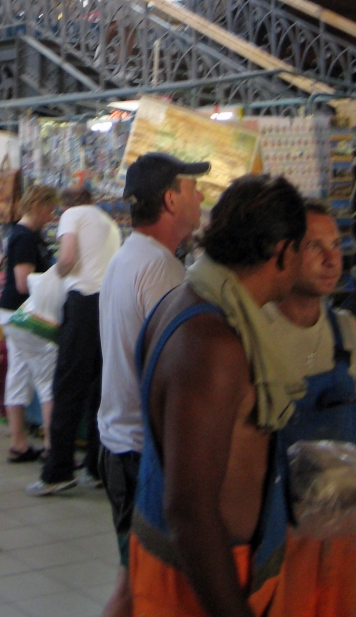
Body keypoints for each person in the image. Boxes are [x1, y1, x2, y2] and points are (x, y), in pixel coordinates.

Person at [130, 174, 307, 617]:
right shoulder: (212, 344)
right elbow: (189, 512)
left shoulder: (185, 303)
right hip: (198, 587)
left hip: (201, 572)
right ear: (284, 251)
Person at [265, 203, 356, 616]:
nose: (331, 258)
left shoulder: (347, 331)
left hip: (342, 534)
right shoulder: (253, 332)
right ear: (284, 254)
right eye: (314, 247)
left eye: (336, 245)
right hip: (274, 536)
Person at [98, 153, 209, 617]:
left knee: (134, 585)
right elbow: (178, 369)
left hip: (122, 445)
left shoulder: (130, 257)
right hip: (140, 453)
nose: (201, 194)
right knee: (140, 590)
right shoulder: (161, 270)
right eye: (191, 187)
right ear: (169, 200)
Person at [28, 185, 121, 496]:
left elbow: (67, 259)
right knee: (98, 389)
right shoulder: (109, 223)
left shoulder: (72, 215)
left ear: (65, 204)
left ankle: (58, 470)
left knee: (67, 387)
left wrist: (51, 277)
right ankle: (95, 468)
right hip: (109, 307)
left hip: (82, 306)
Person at [0, 184, 60, 462]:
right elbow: (24, 283)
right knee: (48, 378)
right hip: (25, 314)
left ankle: (18, 444)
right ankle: (52, 447)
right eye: (49, 208)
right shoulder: (24, 238)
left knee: (19, 376)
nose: (52, 214)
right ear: (37, 205)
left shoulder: (29, 235)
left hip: (12, 314)